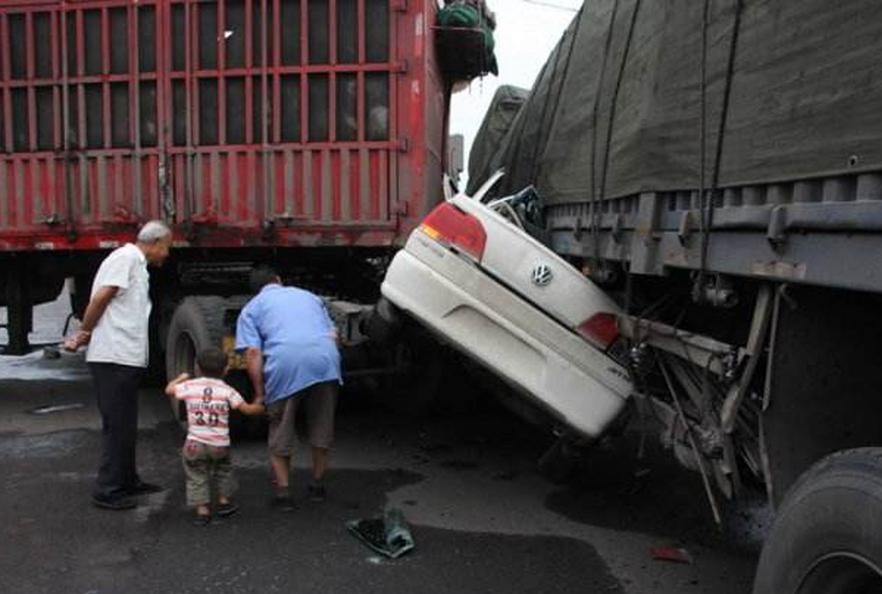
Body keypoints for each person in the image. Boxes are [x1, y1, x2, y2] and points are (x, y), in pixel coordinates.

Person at [64, 220, 173, 510]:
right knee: (117, 425)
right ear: (156, 241)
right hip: (112, 357)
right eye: (167, 247)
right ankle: (108, 489)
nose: (167, 254)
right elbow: (101, 297)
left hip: (125, 357)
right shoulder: (124, 258)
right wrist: (84, 333)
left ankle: (127, 481)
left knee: (126, 424)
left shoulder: (137, 264)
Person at [235, 267, 342, 509]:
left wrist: (260, 393)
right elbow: (333, 335)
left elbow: (253, 352)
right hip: (325, 362)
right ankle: (317, 485)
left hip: (285, 365)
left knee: (280, 427)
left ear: (256, 290)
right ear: (279, 280)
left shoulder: (252, 308)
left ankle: (284, 493)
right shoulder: (309, 297)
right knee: (322, 425)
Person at [165, 348, 265, 526]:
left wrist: (181, 377)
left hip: (194, 443)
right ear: (226, 370)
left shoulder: (190, 386)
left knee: (196, 475)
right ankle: (225, 502)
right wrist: (260, 405)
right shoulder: (227, 390)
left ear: (197, 367)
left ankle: (202, 511)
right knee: (223, 470)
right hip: (219, 444)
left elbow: (169, 390)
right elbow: (247, 410)